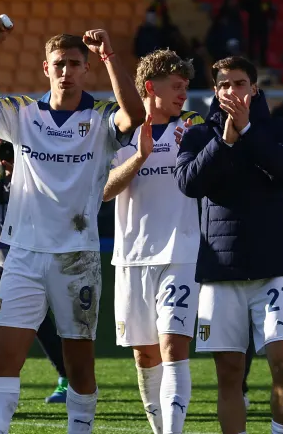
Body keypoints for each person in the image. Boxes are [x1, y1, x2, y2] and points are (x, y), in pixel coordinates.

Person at [0, 16, 146, 433]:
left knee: (79, 363)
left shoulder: (100, 117)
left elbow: (135, 115)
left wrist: (111, 56)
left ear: (85, 68)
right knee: (4, 359)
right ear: (46, 68)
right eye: (58, 63)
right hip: (22, 256)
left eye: (74, 63)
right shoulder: (22, 113)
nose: (66, 71)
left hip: (77, 257)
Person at [174, 56, 283, 434]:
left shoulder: (279, 129)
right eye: (225, 84)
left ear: (254, 88)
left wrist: (247, 132)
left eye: (240, 83)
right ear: (215, 91)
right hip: (221, 272)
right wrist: (226, 142)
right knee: (229, 374)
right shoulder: (198, 135)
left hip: (273, 266)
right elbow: (189, 185)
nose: (233, 90)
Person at [101, 49, 201, 434]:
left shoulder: (193, 127)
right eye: (176, 87)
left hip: (181, 252)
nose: (183, 94)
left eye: (186, 87)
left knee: (174, 348)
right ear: (149, 88)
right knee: (144, 356)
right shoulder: (119, 132)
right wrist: (140, 157)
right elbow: (104, 192)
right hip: (130, 257)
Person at [0, 136, 69, 404]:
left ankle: (68, 380)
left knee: (39, 323)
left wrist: (15, 161)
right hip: (3, 262)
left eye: (3, 144)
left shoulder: (32, 172)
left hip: (30, 258)